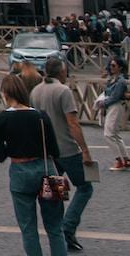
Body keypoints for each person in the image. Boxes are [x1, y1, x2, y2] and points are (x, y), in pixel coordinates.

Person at [0, 70, 69, 256]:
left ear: (5, 93)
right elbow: (55, 150)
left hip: (21, 171)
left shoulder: (0, 119)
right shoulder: (41, 116)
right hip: (48, 168)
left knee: (28, 229)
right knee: (55, 227)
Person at [30, 56, 93, 249]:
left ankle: (57, 231)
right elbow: (73, 123)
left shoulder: (35, 91)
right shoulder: (63, 91)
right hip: (67, 150)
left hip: (47, 152)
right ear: (61, 71)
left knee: (55, 195)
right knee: (85, 188)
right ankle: (68, 227)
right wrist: (85, 151)